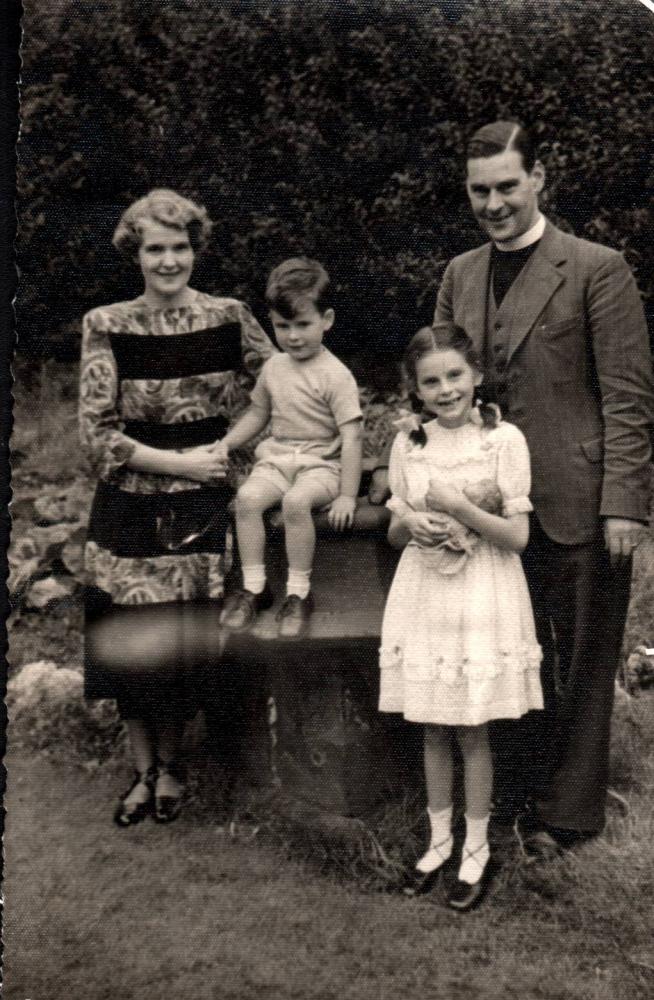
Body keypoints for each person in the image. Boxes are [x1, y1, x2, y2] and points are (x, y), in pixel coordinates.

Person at [372, 121, 654, 854]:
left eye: (506, 186)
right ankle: (510, 796)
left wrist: (624, 503)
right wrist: (412, 493)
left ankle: (567, 816)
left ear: (539, 180)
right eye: (479, 190)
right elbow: (428, 393)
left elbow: (628, 398)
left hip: (575, 500)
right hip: (481, 511)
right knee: (504, 654)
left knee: (580, 660)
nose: (494, 203)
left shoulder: (598, 267)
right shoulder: (460, 274)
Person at [79, 188, 275, 826]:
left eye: (180, 247)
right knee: (133, 648)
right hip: (132, 505)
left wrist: (230, 448)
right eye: (155, 248)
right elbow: (97, 434)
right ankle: (144, 772)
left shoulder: (230, 316)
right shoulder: (107, 324)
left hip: (205, 508)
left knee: (183, 648)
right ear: (135, 253)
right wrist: (177, 462)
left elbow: (281, 389)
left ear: (196, 249)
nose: (169, 261)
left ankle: (175, 768)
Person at [380, 323, 543, 911]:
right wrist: (413, 524)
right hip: (426, 590)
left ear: (475, 375)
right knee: (431, 721)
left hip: (481, 592)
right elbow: (397, 530)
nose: (445, 389)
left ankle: (476, 847)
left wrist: (459, 507)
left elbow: (518, 537)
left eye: (454, 375)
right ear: (416, 390)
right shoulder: (410, 444)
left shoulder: (503, 439)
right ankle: (438, 840)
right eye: (431, 381)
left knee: (472, 724)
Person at [217, 257, 363, 639]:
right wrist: (227, 443)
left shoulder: (336, 375)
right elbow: (258, 413)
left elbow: (352, 437)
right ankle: (255, 587)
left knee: (296, 503)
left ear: (326, 320)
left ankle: (298, 593)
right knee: (247, 500)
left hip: (321, 467)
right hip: (278, 460)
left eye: (303, 324)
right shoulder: (274, 368)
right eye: (283, 326)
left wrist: (348, 494)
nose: (293, 336)